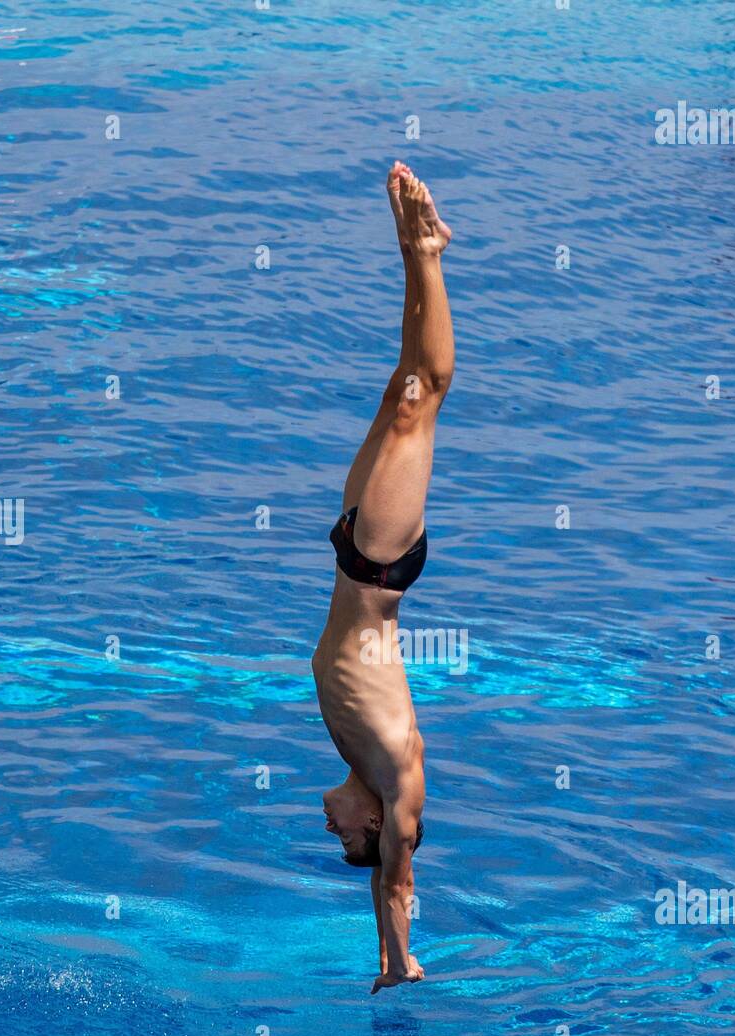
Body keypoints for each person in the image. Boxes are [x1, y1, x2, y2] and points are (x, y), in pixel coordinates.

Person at [312, 162, 454, 994]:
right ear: (376, 824)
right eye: (344, 838)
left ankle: (410, 249)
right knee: (423, 396)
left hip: (351, 551)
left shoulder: (363, 754)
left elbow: (386, 872)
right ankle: (429, 253)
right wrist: (396, 962)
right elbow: (395, 880)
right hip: (378, 564)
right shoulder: (396, 781)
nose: (329, 827)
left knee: (400, 381)